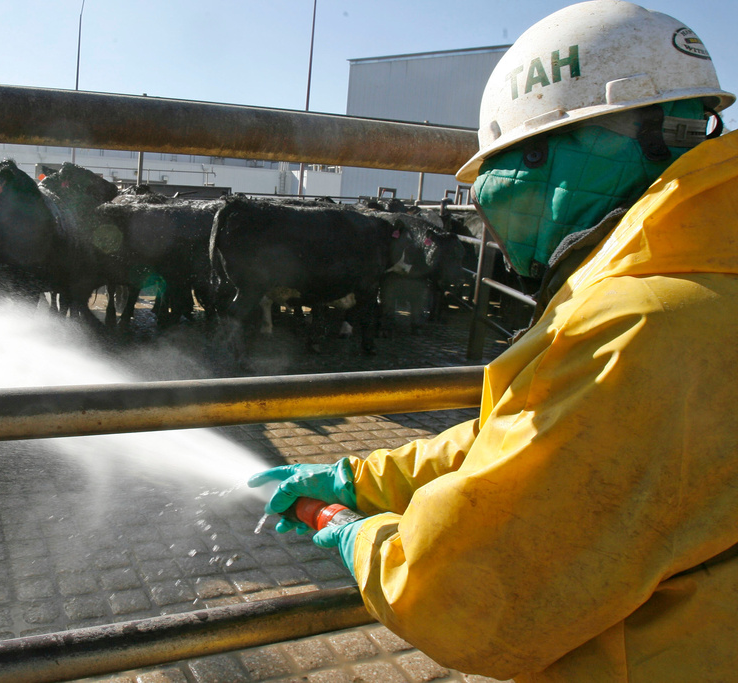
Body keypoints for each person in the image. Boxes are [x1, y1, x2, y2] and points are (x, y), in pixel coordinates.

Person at [248, 1, 738, 681]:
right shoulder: (697, 271)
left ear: (565, 152)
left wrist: (363, 539)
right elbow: (525, 441)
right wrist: (359, 476)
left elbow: (468, 590)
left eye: (505, 176)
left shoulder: (633, 325)